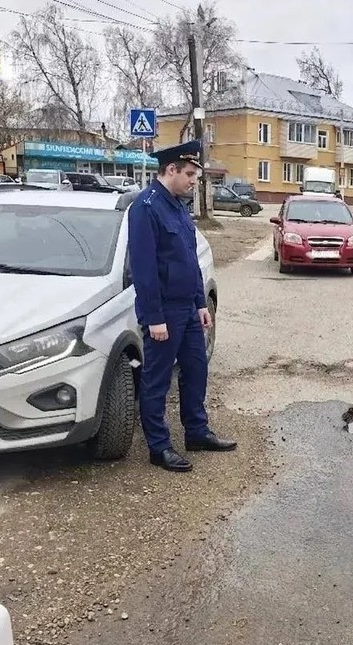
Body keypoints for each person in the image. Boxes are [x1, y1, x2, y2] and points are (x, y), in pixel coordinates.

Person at [128, 140, 236, 472]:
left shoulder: (176, 205)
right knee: (157, 380)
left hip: (187, 308)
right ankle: (159, 447)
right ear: (171, 169)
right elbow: (144, 270)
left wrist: (199, 303)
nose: (193, 181)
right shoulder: (145, 207)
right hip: (164, 312)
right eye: (189, 174)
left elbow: (189, 259)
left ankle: (197, 432)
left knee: (196, 369)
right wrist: (154, 318)